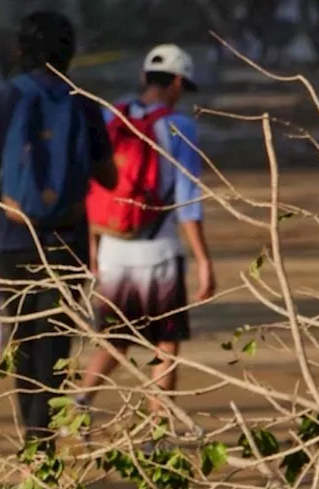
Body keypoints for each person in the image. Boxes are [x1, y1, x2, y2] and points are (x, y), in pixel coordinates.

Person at [0, 10, 116, 447]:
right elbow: (109, 177)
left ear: (21, 48)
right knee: (58, 342)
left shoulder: (3, 100)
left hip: (17, 239)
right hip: (69, 237)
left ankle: (33, 439)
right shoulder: (83, 102)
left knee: (23, 341)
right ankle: (46, 439)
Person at [74, 44, 216, 428]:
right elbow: (188, 200)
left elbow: (93, 186)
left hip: (112, 248)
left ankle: (80, 404)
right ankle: (158, 428)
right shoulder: (178, 126)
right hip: (159, 250)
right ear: (175, 82)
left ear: (143, 77)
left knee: (113, 336)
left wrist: (92, 249)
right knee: (165, 342)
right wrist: (204, 261)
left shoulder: (110, 116)